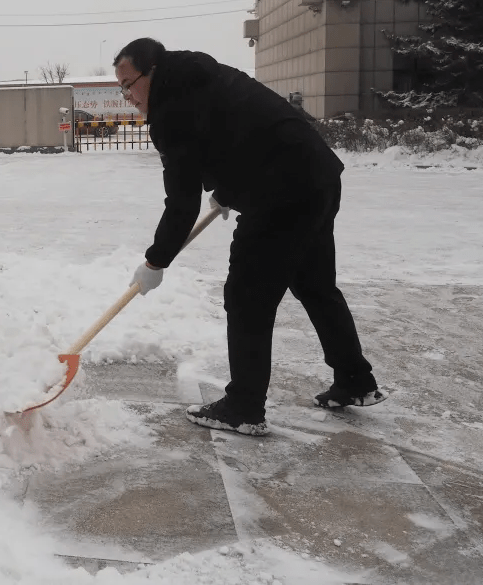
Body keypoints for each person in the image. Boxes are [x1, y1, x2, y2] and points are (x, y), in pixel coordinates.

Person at [115, 37, 385, 436]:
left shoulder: (172, 109)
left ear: (151, 71)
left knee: (247, 297)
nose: (127, 96)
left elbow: (181, 203)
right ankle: (356, 381)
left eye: (128, 83)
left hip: (281, 194)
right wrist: (226, 190)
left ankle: (243, 406)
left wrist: (156, 261)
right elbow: (241, 132)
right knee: (315, 286)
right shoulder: (205, 75)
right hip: (317, 176)